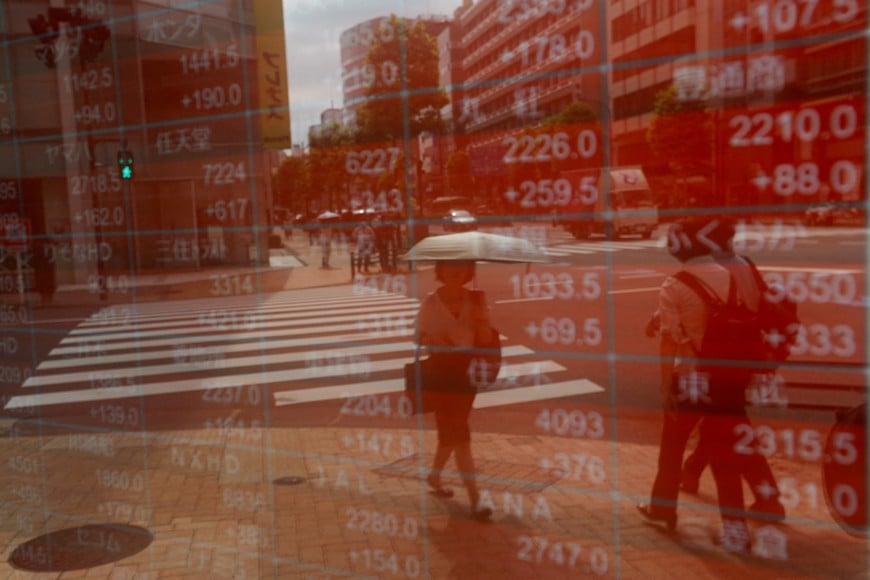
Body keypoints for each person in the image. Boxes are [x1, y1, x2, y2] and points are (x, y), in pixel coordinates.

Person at [637, 217, 783, 554]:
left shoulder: (675, 284)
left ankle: (666, 509)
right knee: (729, 450)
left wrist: (663, 386)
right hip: (730, 376)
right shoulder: (735, 272)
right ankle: (750, 514)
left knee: (673, 444)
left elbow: (670, 342)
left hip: (690, 378)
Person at [415, 260, 494, 521]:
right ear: (440, 271)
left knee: (452, 432)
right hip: (440, 372)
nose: (455, 271)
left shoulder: (476, 299)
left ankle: (434, 476)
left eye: (461, 266)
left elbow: (484, 340)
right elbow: (418, 336)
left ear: (469, 272)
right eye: (448, 267)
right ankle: (475, 499)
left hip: (466, 372)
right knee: (460, 434)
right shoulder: (430, 302)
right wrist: (433, 339)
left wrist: (482, 320)